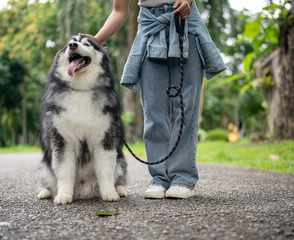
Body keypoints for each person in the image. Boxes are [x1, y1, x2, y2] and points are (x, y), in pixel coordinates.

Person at [80, 0, 226, 199]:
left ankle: (183, 178)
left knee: (185, 109)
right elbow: (119, 11)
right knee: (153, 110)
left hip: (185, 26)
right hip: (150, 29)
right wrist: (97, 38)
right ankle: (159, 178)